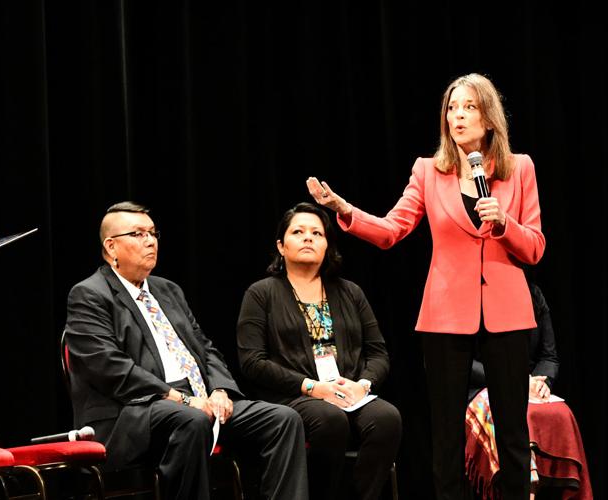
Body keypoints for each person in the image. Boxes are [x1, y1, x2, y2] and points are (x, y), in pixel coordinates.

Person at [306, 73, 545, 500]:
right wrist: (345, 210)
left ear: (489, 118)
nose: (458, 116)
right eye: (452, 108)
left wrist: (505, 224)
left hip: (507, 312)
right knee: (446, 432)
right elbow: (391, 230)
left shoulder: (520, 167)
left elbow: (535, 248)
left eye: (469, 107)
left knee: (511, 431)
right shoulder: (429, 171)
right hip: (446, 314)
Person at [63, 201, 309, 500]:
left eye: (153, 233)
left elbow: (204, 348)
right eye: (138, 234)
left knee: (283, 419)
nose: (150, 241)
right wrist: (181, 398)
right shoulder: (89, 294)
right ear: (111, 247)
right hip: (134, 411)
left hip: (195, 400)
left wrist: (220, 390)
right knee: (190, 419)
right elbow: (109, 367)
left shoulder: (168, 290)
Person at [236, 202, 402, 500]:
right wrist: (312, 387)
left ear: (327, 244)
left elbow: (378, 353)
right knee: (329, 420)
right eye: (298, 232)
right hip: (294, 395)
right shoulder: (261, 293)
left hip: (347, 391)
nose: (308, 238)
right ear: (281, 245)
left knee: (387, 418)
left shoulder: (350, 292)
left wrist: (363, 385)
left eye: (317, 233)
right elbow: (252, 361)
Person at [466, 280, 592, 499]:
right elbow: (464, 362)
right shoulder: (473, 296)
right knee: (519, 416)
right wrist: (514, 381)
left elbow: (549, 356)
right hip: (483, 386)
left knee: (562, 415)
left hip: (531, 387)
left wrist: (541, 383)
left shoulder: (534, 295)